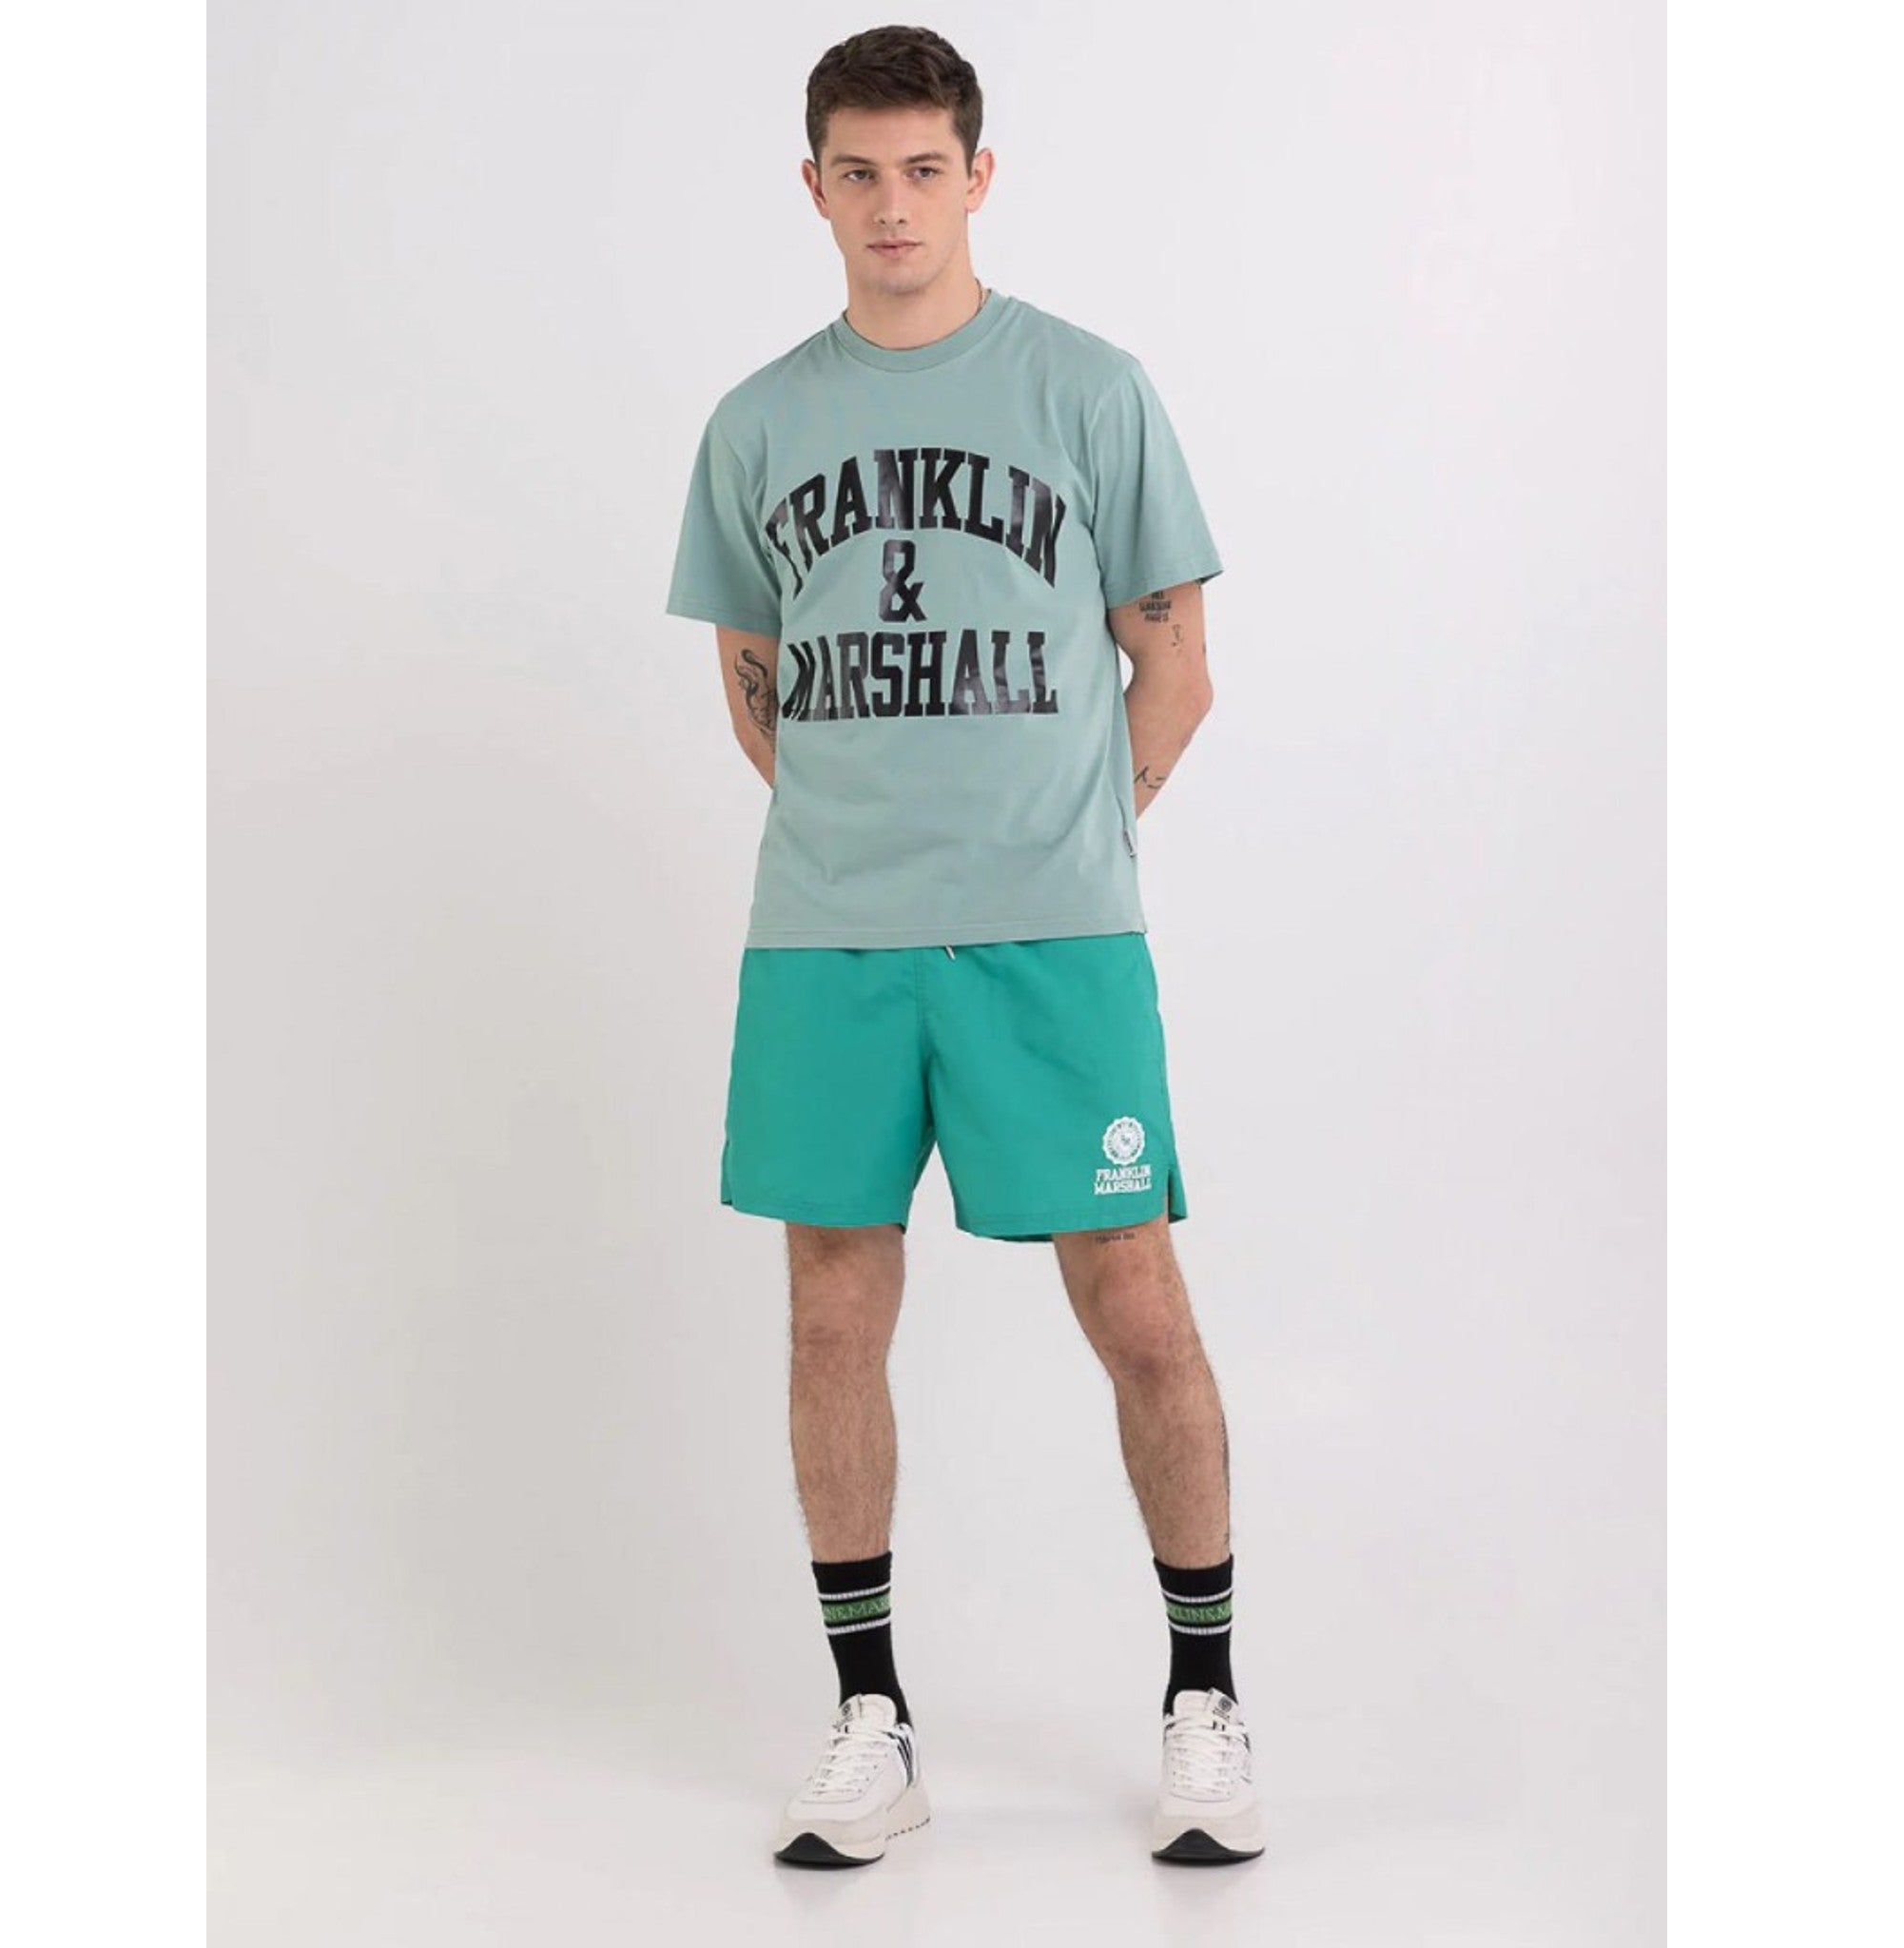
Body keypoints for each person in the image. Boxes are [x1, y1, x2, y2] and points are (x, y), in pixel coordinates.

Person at [664, 25, 1262, 1870]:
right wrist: (878, 838)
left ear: (978, 176)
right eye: (859, 172)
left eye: (926, 169)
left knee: (1135, 1300)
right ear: (814, 186)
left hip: (1052, 941)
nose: (894, 204)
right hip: (828, 943)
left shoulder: (1089, 388)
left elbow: (1176, 668)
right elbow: (756, 689)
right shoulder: (756, 423)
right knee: (830, 1308)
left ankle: (1205, 1702)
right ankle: (872, 1719)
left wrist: (1064, 834)